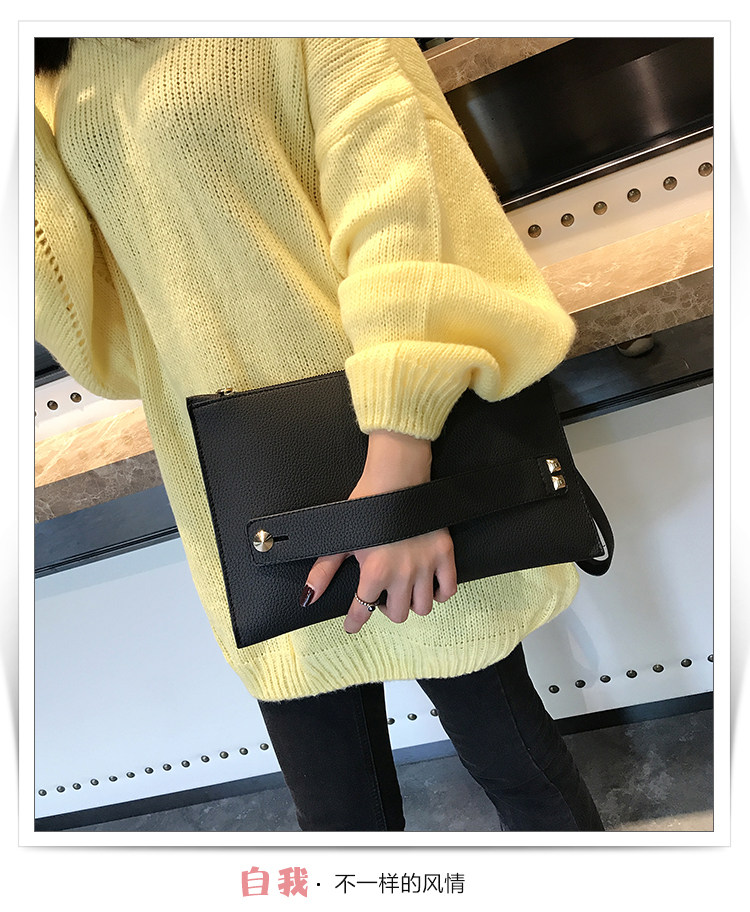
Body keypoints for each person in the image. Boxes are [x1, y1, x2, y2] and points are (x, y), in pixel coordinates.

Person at [34, 36, 604, 831]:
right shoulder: (59, 81)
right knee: (338, 818)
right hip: (245, 490)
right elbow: (106, 343)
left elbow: (405, 209)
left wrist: (398, 464)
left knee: (514, 766)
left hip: (398, 451)